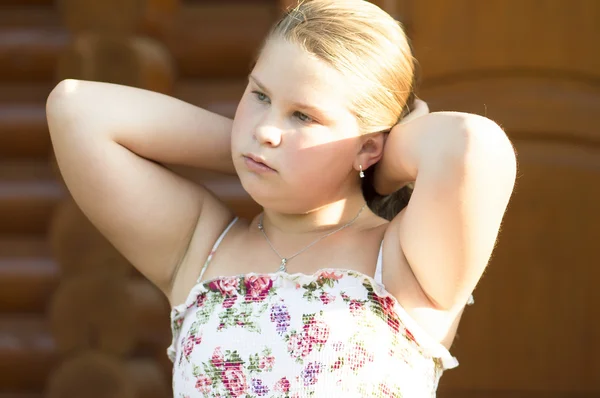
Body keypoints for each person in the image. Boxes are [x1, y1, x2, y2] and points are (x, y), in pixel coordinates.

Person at [46, 0, 517, 396]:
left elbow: (472, 144)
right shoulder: (199, 248)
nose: (267, 128)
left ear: (371, 145)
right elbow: (76, 108)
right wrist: (247, 146)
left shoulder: (405, 266)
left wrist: (368, 166)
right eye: (260, 96)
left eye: (304, 117)